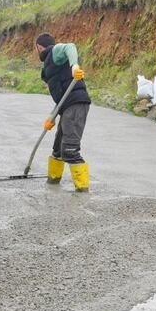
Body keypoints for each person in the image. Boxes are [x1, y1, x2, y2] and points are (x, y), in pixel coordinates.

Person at [35, 33, 92, 192]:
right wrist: (52, 116)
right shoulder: (47, 67)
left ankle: (82, 192)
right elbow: (60, 97)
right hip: (66, 106)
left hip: (76, 103)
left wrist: (74, 66)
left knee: (70, 150)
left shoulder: (54, 52)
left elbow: (70, 47)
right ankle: (53, 183)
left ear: (39, 47)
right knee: (58, 149)